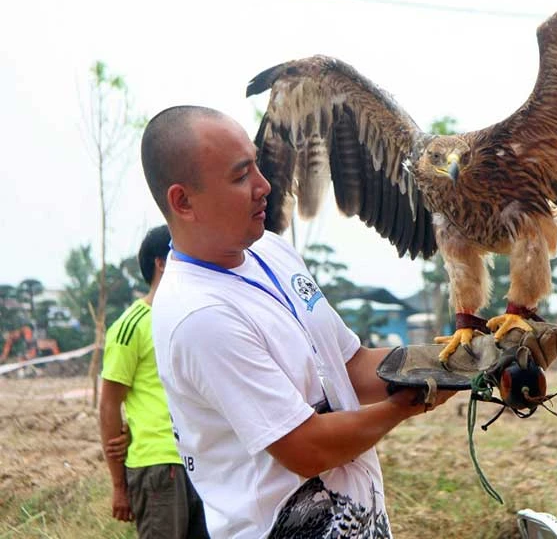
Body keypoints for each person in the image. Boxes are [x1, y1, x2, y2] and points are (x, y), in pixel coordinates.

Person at [140, 105, 454, 538]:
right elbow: (306, 449)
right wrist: (406, 405)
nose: (264, 186)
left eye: (256, 166)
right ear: (183, 201)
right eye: (241, 176)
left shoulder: (270, 250)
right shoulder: (200, 315)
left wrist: (451, 361)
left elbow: (350, 366)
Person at [99, 224, 209, 538]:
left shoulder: (195, 318)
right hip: (160, 464)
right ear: (161, 263)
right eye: (183, 253)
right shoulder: (131, 326)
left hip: (204, 462)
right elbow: (109, 405)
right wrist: (119, 486)